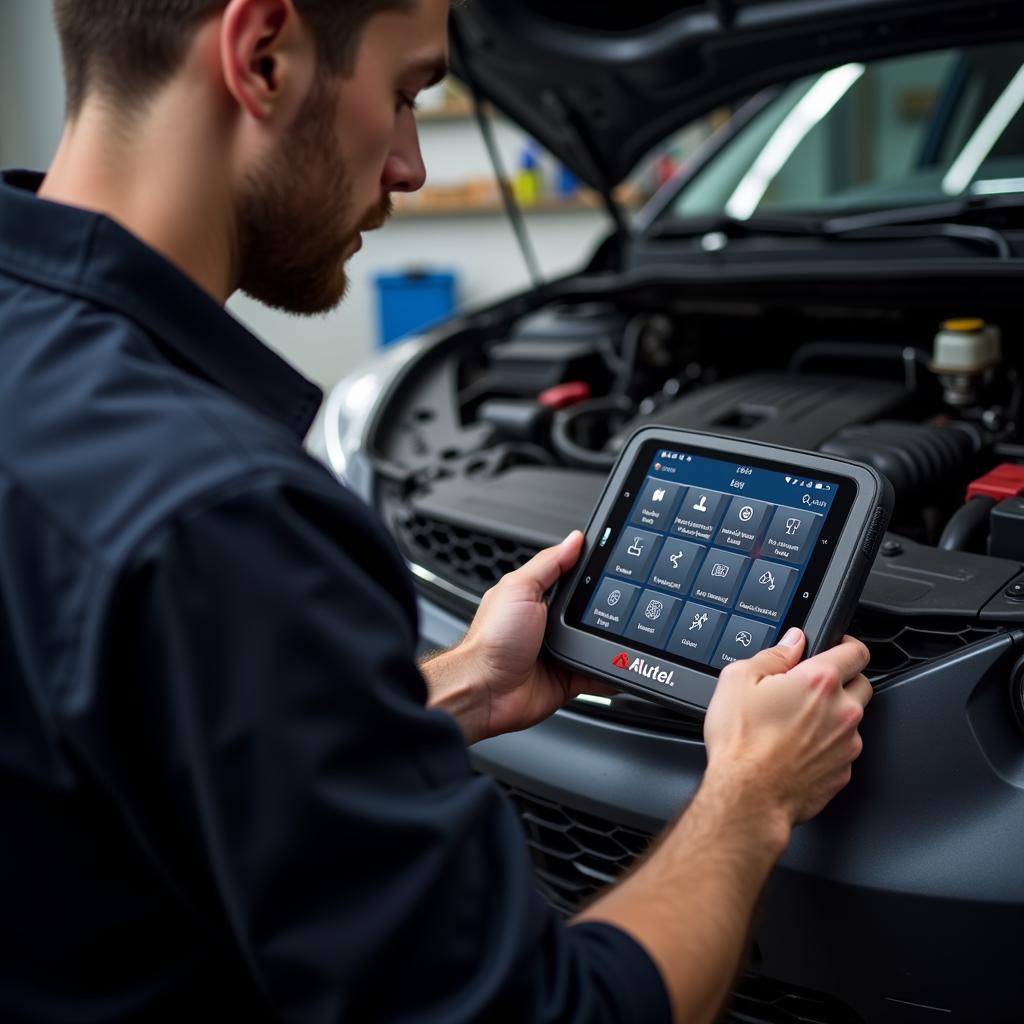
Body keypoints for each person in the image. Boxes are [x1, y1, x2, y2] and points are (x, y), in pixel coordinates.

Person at [0, 0, 872, 1020]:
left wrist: (462, 685)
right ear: (263, 54)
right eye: (406, 94)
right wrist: (752, 794)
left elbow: (146, 744)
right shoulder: (225, 514)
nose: (409, 165)